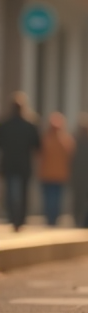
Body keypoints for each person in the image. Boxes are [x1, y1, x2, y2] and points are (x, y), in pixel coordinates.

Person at [0, 93, 41, 231]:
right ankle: (21, 219)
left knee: (11, 193)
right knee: (23, 193)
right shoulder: (29, 125)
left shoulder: (5, 125)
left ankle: (13, 217)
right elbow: (37, 145)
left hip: (10, 164)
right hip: (24, 165)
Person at [38, 112, 76, 226]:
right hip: (60, 175)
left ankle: (50, 218)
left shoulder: (45, 140)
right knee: (56, 199)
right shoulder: (65, 140)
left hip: (47, 174)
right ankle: (54, 218)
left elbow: (39, 156)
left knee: (48, 199)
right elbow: (71, 156)